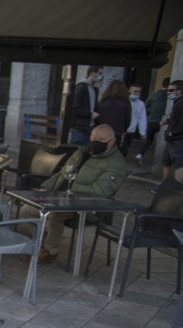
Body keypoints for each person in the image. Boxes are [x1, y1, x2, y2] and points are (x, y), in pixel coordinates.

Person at [18, 123, 126, 263]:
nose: (95, 143)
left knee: (55, 213)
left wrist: (71, 189)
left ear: (111, 142)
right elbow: (62, 173)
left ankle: (50, 250)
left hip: (85, 205)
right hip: (59, 196)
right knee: (26, 210)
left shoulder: (116, 164)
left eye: (100, 141)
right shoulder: (81, 153)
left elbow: (101, 191)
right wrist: (45, 188)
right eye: (93, 139)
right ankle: (42, 240)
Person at [69, 66, 103, 146]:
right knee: (76, 148)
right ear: (92, 73)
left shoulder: (94, 89)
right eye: (100, 73)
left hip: (89, 126)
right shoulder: (81, 87)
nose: (101, 76)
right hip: (79, 127)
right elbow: (75, 108)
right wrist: (90, 114)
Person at [140, 77, 170, 162]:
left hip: (151, 121)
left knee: (149, 140)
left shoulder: (154, 95)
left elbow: (145, 106)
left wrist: (150, 113)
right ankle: (160, 160)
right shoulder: (168, 97)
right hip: (163, 122)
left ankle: (141, 154)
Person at [97, 80, 131, 153]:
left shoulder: (104, 102)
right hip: (117, 132)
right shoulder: (125, 103)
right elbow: (128, 119)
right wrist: (124, 129)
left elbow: (98, 118)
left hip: (103, 132)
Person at [164, 80, 183, 181]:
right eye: (167, 90)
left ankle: (176, 190)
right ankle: (165, 186)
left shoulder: (180, 103)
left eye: (171, 90)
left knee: (179, 165)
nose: (168, 92)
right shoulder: (177, 103)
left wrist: (173, 132)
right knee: (167, 162)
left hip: (178, 140)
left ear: (180, 91)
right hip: (172, 139)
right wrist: (167, 121)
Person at [125, 84, 148, 160]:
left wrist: (143, 132)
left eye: (139, 92)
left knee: (125, 149)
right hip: (121, 130)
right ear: (129, 91)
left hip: (131, 130)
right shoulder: (124, 102)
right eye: (135, 91)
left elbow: (142, 118)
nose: (137, 93)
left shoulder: (141, 104)